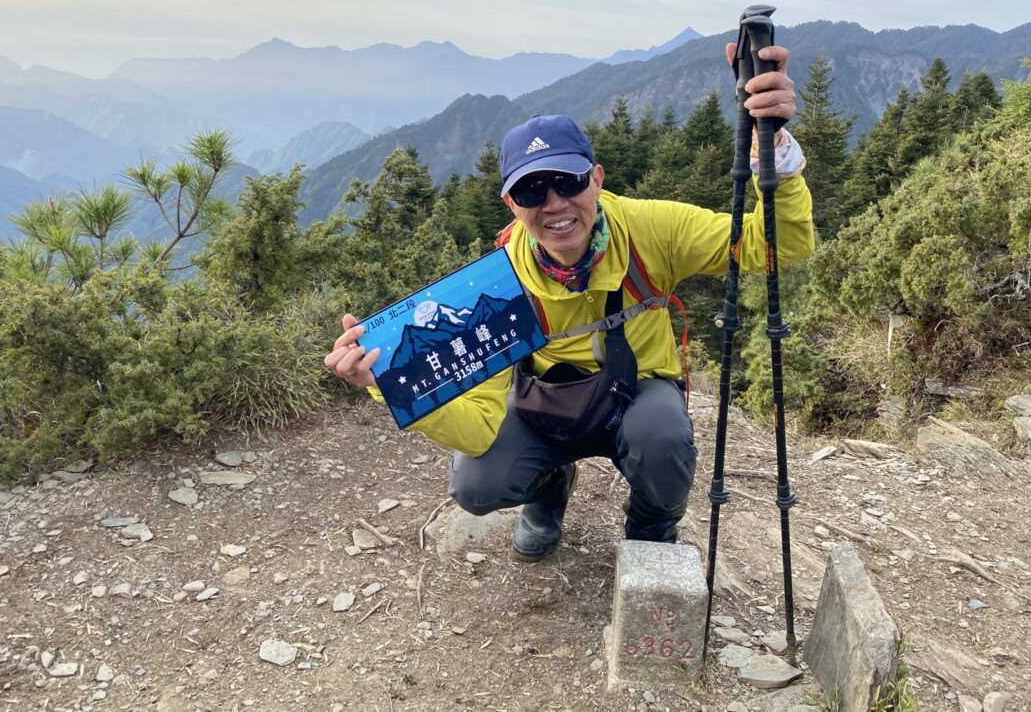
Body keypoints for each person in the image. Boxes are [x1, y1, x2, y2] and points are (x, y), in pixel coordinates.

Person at [325, 42, 814, 560]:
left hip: (639, 396)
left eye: (568, 181)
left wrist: (772, 145)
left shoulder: (650, 230)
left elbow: (775, 244)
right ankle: (549, 486)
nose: (555, 203)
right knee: (477, 483)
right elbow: (480, 427)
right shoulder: (499, 285)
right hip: (546, 407)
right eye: (532, 191)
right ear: (511, 204)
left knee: (663, 438)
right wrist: (389, 383)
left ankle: (651, 526)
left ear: (597, 179)